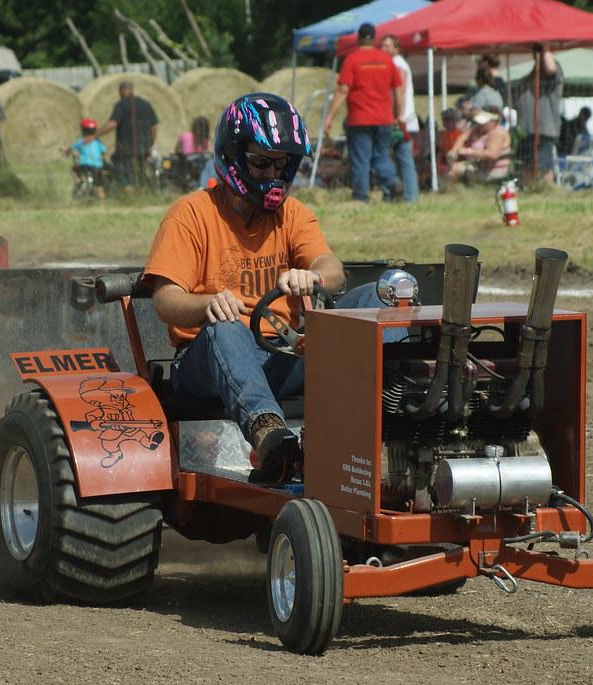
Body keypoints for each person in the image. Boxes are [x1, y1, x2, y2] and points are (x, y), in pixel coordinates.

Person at [142, 92, 396, 485]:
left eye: (283, 165)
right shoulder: (190, 214)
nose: (272, 176)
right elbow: (166, 301)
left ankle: (397, 415)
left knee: (379, 297)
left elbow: (332, 268)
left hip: (282, 353)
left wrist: (312, 276)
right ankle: (271, 438)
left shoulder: (293, 214)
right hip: (205, 363)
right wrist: (208, 304)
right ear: (233, 156)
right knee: (226, 329)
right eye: (261, 163)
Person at [324, 22, 404, 204]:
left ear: (359, 39)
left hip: (360, 119)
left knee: (361, 159)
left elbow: (343, 90)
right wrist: (398, 115)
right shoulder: (386, 60)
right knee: (382, 155)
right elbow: (399, 89)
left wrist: (329, 116)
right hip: (384, 119)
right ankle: (392, 184)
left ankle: (361, 198)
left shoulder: (352, 59)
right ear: (374, 39)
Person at [86, 81, 159, 195]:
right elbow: (153, 128)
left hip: (125, 150)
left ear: (121, 91)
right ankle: (143, 197)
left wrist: (94, 136)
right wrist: (149, 144)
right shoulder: (146, 104)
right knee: (141, 175)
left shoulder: (121, 104)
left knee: (125, 176)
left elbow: (112, 124)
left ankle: (130, 199)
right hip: (143, 149)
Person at [380, 34, 420, 202]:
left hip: (399, 121)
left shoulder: (397, 63)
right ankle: (410, 196)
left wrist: (398, 116)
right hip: (404, 120)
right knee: (404, 160)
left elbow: (400, 90)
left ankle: (392, 192)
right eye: (382, 46)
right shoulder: (397, 63)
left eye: (388, 46)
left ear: (396, 49)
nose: (384, 49)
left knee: (380, 156)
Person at [516, 45, 564, 182]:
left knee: (544, 166)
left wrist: (545, 47)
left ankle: (546, 190)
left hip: (544, 130)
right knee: (525, 165)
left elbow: (551, 69)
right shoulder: (535, 71)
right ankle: (529, 190)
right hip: (527, 130)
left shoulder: (554, 68)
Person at [446, 107, 511, 184]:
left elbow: (492, 154)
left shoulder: (497, 134)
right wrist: (454, 150)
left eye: (484, 122)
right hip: (479, 167)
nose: (481, 125)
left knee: (454, 170)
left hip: (494, 171)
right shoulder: (479, 128)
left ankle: (454, 192)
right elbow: (463, 137)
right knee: (452, 168)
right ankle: (454, 192)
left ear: (493, 121)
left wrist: (468, 151)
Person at [68, 118, 107, 200]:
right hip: (98, 165)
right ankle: (103, 202)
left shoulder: (82, 141)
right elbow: (103, 151)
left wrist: (66, 150)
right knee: (99, 185)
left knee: (73, 170)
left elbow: (71, 148)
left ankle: (79, 182)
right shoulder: (98, 141)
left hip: (85, 165)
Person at [174, 115, 212, 190]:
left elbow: (176, 149)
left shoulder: (185, 136)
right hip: (202, 167)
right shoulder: (206, 142)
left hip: (187, 166)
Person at [436, 108, 466, 178]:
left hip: (456, 164)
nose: (448, 122)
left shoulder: (461, 134)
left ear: (456, 120)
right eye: (445, 119)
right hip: (443, 164)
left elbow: (461, 154)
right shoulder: (441, 135)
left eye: (451, 119)